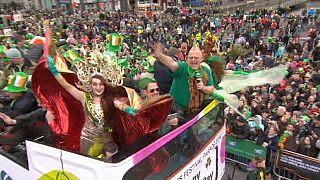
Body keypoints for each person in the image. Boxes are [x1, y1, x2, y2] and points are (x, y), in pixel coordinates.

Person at [154, 43, 222, 117]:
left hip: (195, 111)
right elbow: (172, 63)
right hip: (177, 110)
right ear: (187, 59)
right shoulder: (182, 67)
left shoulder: (206, 70)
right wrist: (160, 55)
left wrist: (203, 87)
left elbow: (211, 89)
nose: (193, 60)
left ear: (201, 59)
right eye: (191, 58)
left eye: (196, 58)